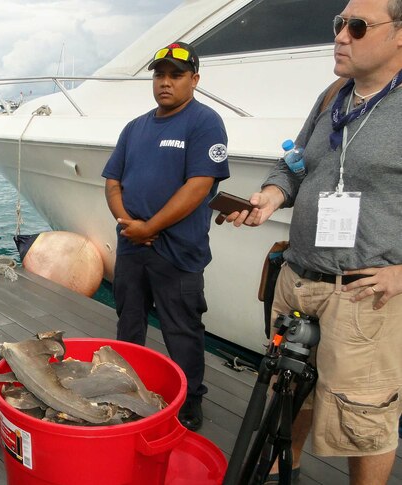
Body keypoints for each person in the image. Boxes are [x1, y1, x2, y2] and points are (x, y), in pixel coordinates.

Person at [225, 0, 402, 483]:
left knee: (365, 421)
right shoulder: (333, 96)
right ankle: (288, 469)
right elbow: (294, 164)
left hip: (363, 294)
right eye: (339, 24)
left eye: (358, 27)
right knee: (289, 392)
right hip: (299, 280)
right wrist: (270, 194)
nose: (342, 35)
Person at [101, 42, 229, 432]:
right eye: (159, 75)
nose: (165, 83)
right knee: (129, 324)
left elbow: (199, 186)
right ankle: (127, 391)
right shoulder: (134, 127)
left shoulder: (205, 122)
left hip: (177, 252)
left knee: (182, 329)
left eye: (176, 75)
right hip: (132, 247)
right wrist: (129, 225)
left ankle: (190, 401)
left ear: (195, 79)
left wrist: (150, 227)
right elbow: (112, 182)